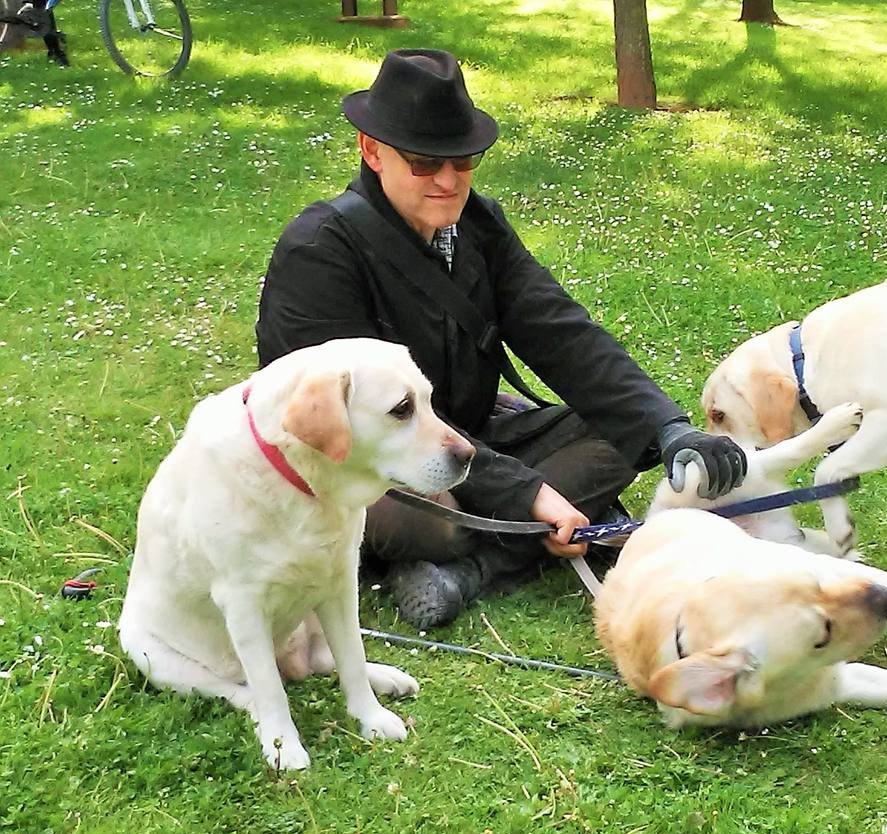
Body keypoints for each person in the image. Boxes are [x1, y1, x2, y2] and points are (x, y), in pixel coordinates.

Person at [256, 48, 745, 629]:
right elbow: (339, 436)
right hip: (365, 461)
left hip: (467, 434)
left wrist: (668, 429)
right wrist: (526, 492)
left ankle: (472, 570)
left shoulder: (479, 225)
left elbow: (558, 328)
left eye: (462, 160)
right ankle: (489, 543)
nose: (446, 180)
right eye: (421, 161)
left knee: (621, 433)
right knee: (433, 522)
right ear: (372, 151)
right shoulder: (319, 251)